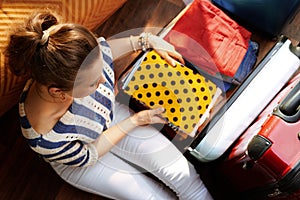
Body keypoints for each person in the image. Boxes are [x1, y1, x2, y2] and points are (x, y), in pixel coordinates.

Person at [5, 10, 213, 200]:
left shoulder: (80, 57)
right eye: (93, 82)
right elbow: (87, 156)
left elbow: (106, 51)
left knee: (181, 172)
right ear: (58, 92)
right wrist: (135, 120)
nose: (103, 82)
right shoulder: (44, 134)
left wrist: (149, 40)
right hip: (84, 157)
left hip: (106, 116)